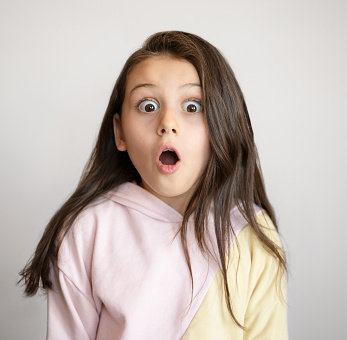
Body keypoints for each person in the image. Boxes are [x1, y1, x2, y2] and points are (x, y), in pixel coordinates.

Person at [20, 31, 288, 339]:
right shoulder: (87, 230)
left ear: (222, 125)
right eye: (148, 106)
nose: (167, 123)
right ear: (120, 133)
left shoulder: (254, 236)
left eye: (192, 107)